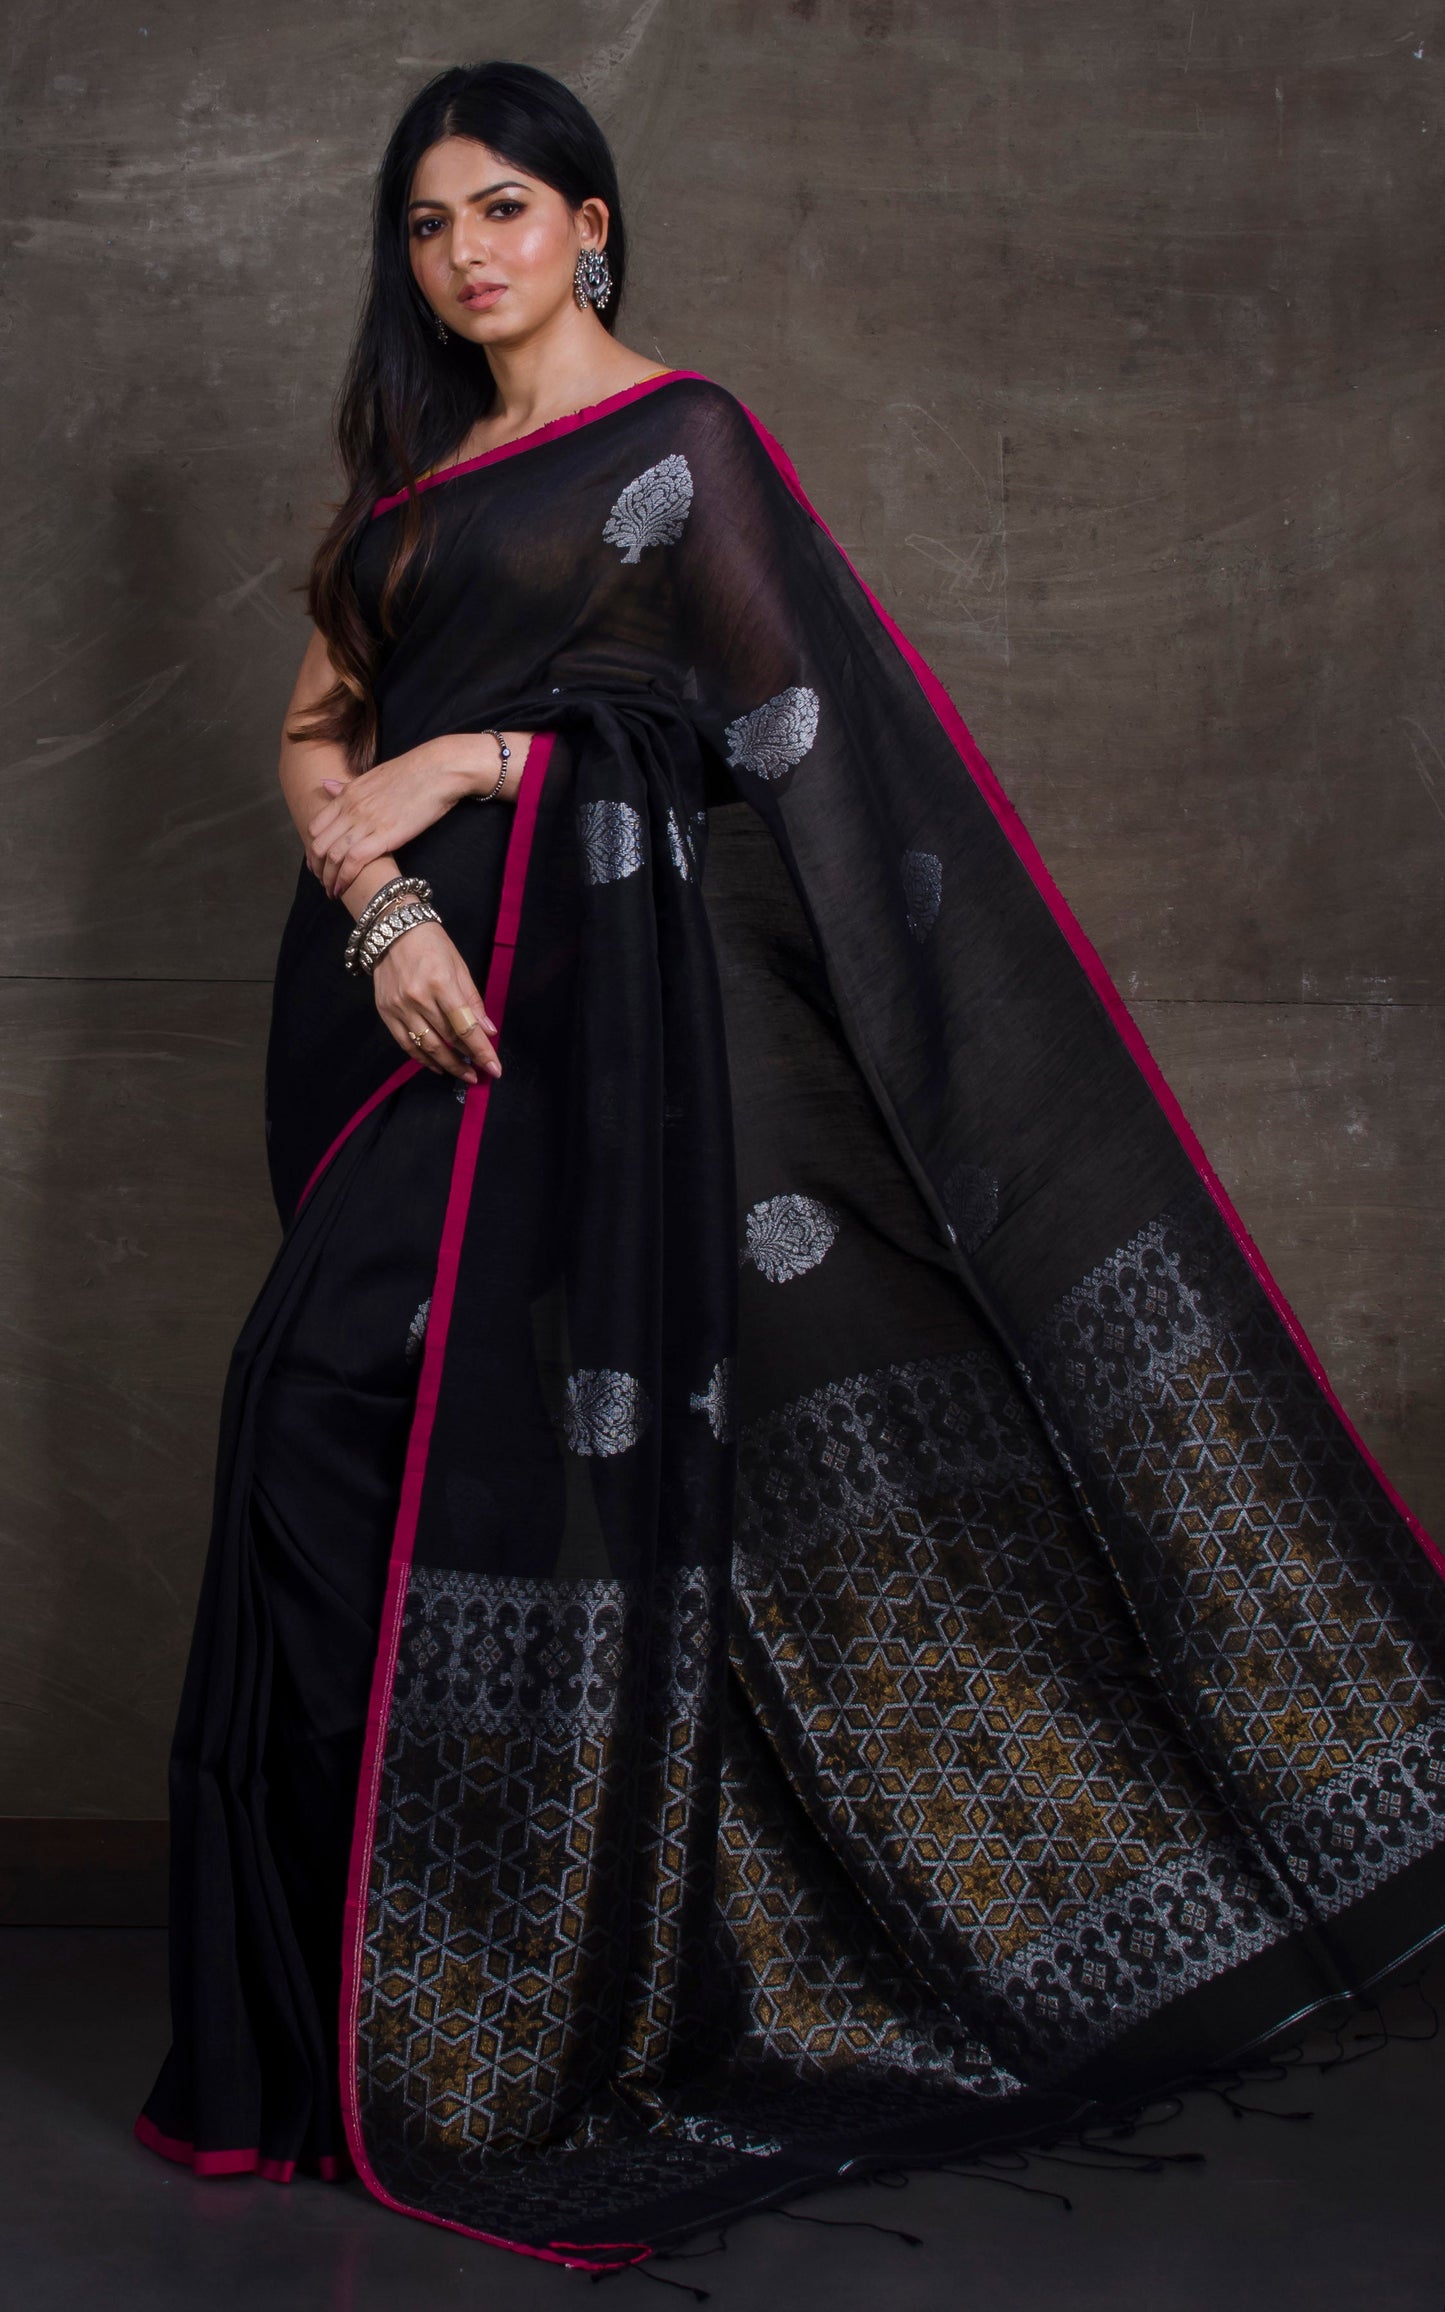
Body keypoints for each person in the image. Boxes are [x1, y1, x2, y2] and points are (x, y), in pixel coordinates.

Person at [136, 56, 1445, 2275]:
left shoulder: (688, 445)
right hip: (410, 1028)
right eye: (431, 223)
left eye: (506, 208)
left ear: (592, 223)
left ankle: (507, 2017)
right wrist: (376, 895)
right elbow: (310, 733)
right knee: (323, 1429)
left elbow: (768, 745)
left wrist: (486, 760)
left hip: (605, 1039)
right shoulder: (414, 495)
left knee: (499, 1469)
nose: (466, 253)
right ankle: (361, 2025)